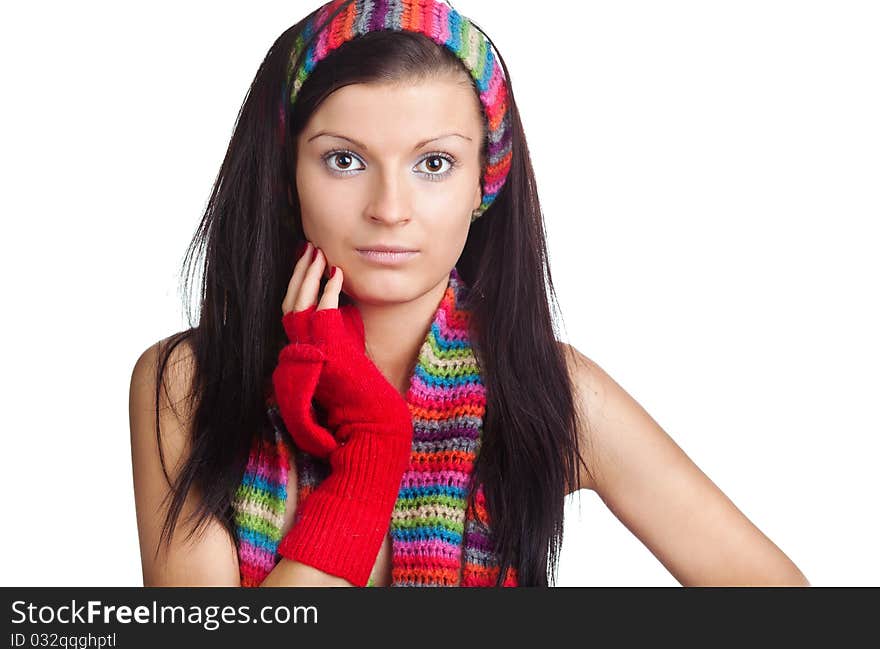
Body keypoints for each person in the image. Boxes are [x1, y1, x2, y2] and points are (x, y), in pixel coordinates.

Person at [129, 0, 810, 587]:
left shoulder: (548, 387)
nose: (390, 208)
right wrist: (370, 453)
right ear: (287, 176)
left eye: (434, 163)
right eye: (345, 159)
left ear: (484, 182)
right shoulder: (186, 382)